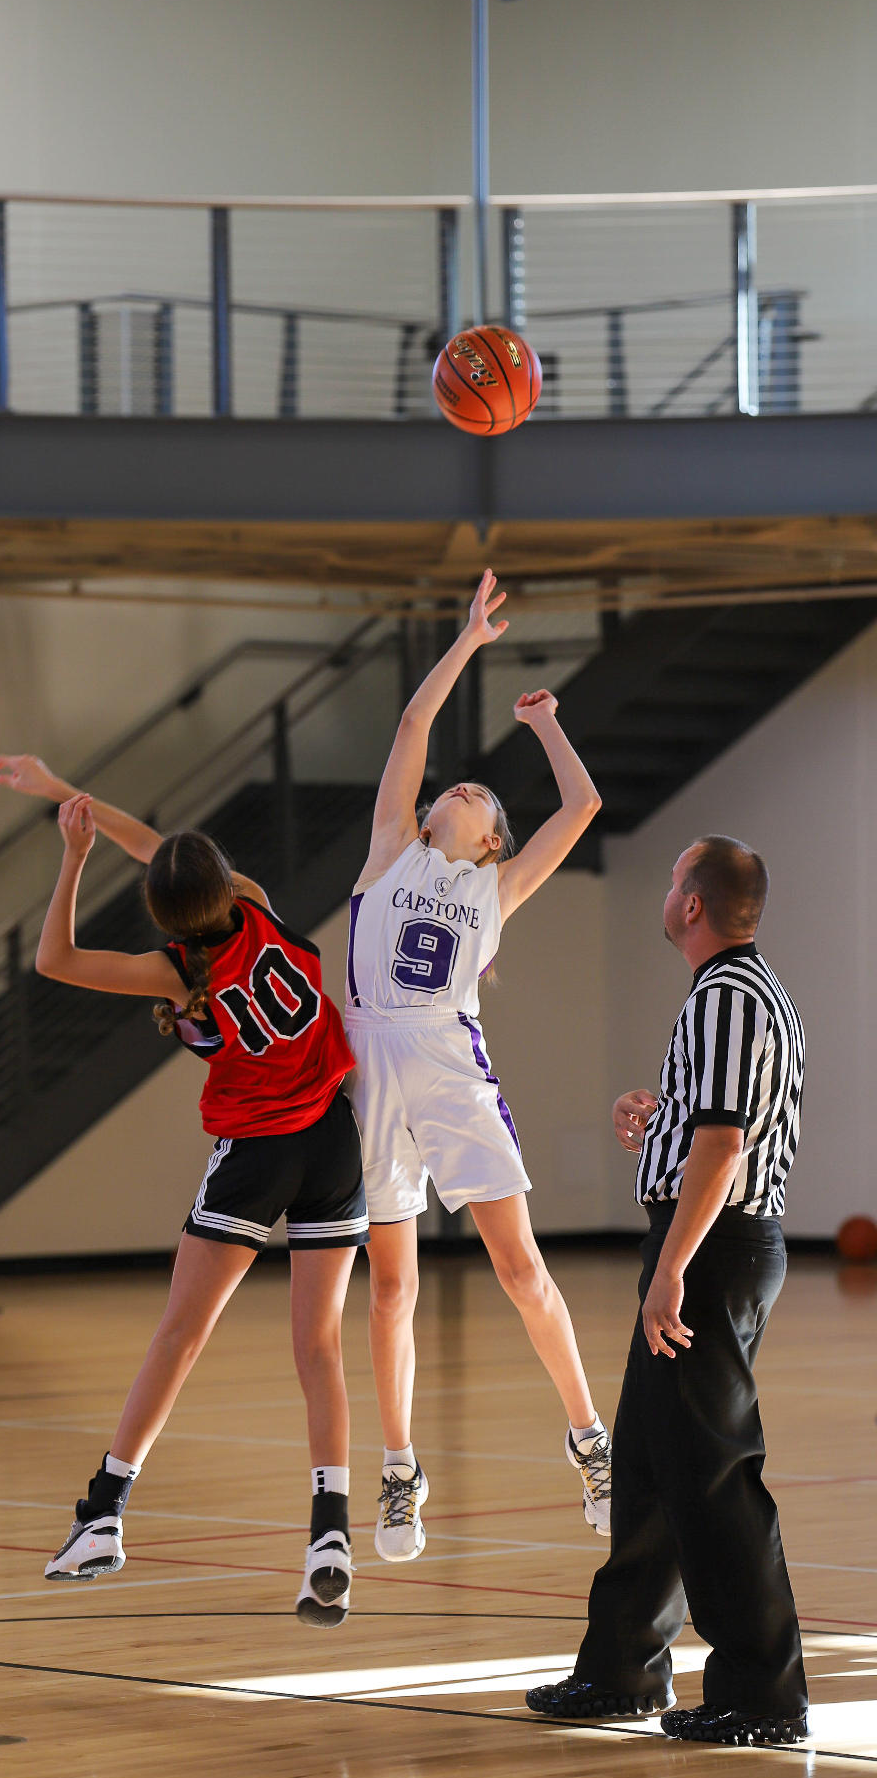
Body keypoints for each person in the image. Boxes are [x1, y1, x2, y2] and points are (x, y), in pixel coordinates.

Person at [24, 792, 366, 1628]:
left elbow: (55, 960)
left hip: (257, 1155)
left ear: (163, 915)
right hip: (333, 1142)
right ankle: (330, 1534)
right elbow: (161, 849)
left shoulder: (176, 970)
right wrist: (75, 800)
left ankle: (102, 1513)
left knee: (180, 1335)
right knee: (319, 1347)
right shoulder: (252, 900)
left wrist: (72, 852)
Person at [343, 568, 610, 1560]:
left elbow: (580, 806)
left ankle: (591, 1442)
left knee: (521, 1268)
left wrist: (543, 725)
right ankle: (400, 1470)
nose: (457, 786)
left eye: (479, 796)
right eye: (449, 789)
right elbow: (414, 726)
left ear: (491, 837)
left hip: (451, 1068)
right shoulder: (388, 853)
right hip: (370, 1067)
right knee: (391, 1291)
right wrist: (466, 642)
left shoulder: (495, 888)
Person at [527, 836, 809, 1748]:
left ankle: (763, 1695)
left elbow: (726, 1149)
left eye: (671, 880)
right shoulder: (742, 993)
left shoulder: (726, 995)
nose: (665, 893)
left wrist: (674, 1270)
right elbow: (711, 1126)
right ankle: (621, 1672)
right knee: (651, 1468)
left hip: (712, 1253)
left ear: (692, 904)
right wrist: (653, 1121)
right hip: (708, 1242)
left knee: (715, 1477)